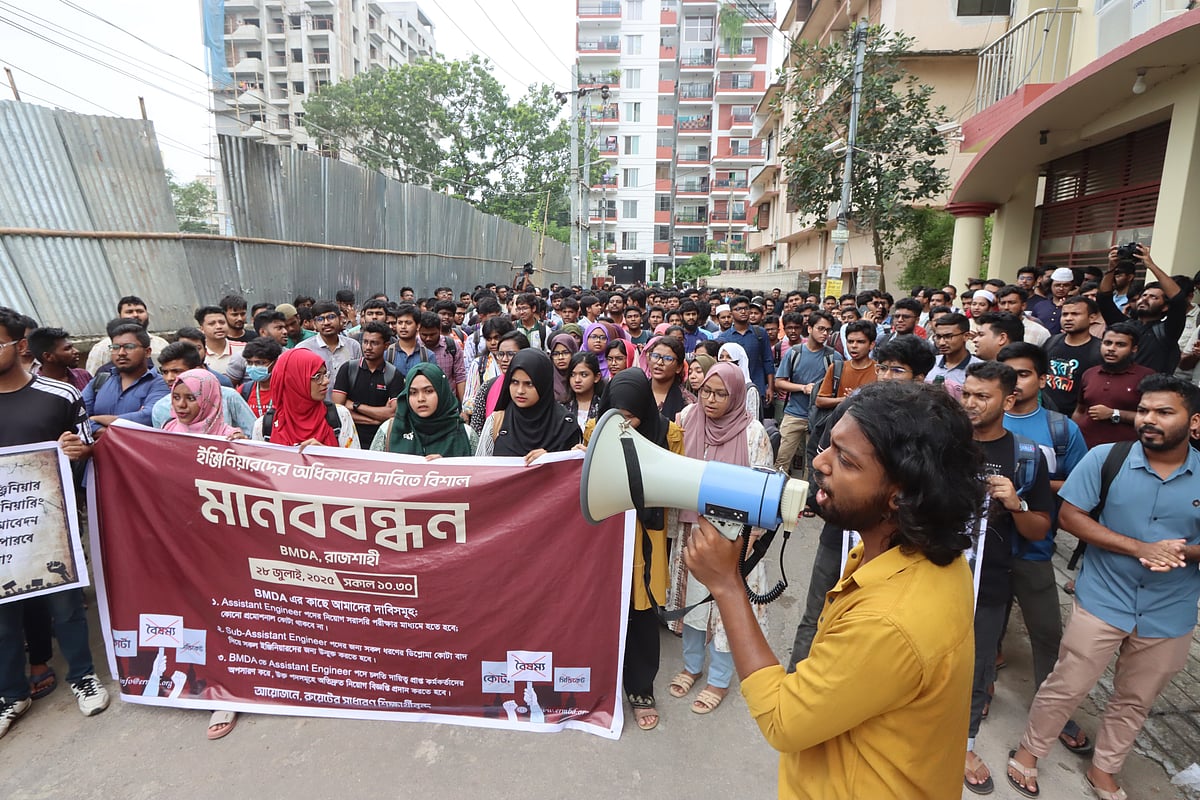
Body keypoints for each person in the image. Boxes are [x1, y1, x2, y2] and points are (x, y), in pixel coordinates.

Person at [684, 381, 984, 798]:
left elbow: (782, 719)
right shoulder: (925, 558)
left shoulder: (888, 621)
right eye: (829, 446)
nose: (819, 461)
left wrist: (726, 585)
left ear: (899, 495)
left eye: (846, 460)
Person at [1007, 375, 1200, 800]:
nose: (1148, 420)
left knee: (1135, 699)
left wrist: (1182, 553)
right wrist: (1139, 548)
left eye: (1164, 412)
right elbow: (1070, 516)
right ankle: (1028, 752)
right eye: (1144, 410)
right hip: (1104, 597)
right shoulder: (1107, 458)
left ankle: (1105, 769)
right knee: (1067, 683)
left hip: (1170, 609)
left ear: (1194, 422)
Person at [786, 333, 934, 668]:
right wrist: (821, 497)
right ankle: (797, 679)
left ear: (920, 378)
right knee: (817, 612)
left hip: (897, 541)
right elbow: (819, 457)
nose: (885, 377)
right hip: (841, 533)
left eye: (897, 370)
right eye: (882, 368)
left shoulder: (928, 424)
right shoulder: (852, 409)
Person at [0, 307, 110, 738]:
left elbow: (87, 443)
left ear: (20, 346)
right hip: (3, 530)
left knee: (65, 604)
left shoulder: (59, 394)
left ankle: (83, 676)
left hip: (51, 523)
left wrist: (80, 451)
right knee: (4, 616)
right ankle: (12, 694)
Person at [959, 361, 1055, 794]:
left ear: (1009, 400)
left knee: (977, 667)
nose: (971, 404)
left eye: (983, 396)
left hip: (991, 583)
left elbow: (1039, 529)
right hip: (932, 575)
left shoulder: (1027, 456)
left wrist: (1016, 504)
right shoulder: (945, 443)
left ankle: (963, 744)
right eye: (967, 394)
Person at [666, 362, 773, 715]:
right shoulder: (686, 418)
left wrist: (749, 543)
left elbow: (763, 490)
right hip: (693, 531)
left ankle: (720, 679)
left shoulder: (753, 433)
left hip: (733, 540)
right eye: (705, 392)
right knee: (693, 604)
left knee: (726, 608)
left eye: (720, 394)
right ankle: (692, 666)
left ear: (737, 395)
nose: (709, 400)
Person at [584, 369, 685, 731]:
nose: (624, 424)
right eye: (617, 415)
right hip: (605, 538)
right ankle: (597, 688)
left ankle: (640, 688)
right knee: (602, 612)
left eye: (632, 416)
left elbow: (676, 486)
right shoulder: (594, 431)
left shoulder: (668, 434)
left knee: (641, 613)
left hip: (646, 538)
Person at [475, 349, 581, 461]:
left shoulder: (565, 424)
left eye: (529, 384)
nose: (520, 391)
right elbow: (481, 466)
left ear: (543, 385)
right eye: (515, 382)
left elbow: (573, 468)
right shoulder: (497, 421)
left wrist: (550, 459)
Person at [1097, 244, 1186, 374]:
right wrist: (1112, 268)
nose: (1145, 299)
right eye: (1144, 295)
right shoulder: (1125, 325)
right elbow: (1103, 299)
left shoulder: (1167, 331)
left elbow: (1178, 299)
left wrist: (1151, 265)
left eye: (1153, 297)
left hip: (1151, 386)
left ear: (1165, 307)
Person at [774, 311, 840, 477]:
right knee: (781, 460)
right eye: (821, 329)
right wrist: (802, 388)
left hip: (820, 418)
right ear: (810, 328)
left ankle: (807, 493)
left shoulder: (834, 357)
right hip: (794, 413)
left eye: (828, 330)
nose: (824, 334)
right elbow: (779, 382)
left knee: (813, 465)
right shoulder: (794, 353)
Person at [251, 348, 359, 448]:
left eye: (325, 374)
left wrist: (324, 454)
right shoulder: (264, 426)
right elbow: (258, 462)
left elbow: (354, 461)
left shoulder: (339, 416)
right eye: (317, 376)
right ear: (294, 381)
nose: (326, 381)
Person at [1072, 322, 1156, 448]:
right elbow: (1080, 410)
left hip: (1123, 451)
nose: (1111, 349)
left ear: (1134, 349)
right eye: (1107, 343)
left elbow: (1153, 418)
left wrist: (1114, 414)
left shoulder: (1146, 376)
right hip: (1084, 447)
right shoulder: (1090, 373)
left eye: (1120, 345)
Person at [81, 322, 169, 437]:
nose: (121, 353)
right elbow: (78, 417)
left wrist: (96, 419)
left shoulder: (161, 383)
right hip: (99, 449)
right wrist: (114, 432)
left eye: (129, 347)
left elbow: (149, 417)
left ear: (147, 352)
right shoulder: (100, 381)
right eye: (115, 347)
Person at [150, 342, 257, 436]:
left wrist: (238, 442)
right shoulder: (161, 408)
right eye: (165, 372)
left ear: (198, 369)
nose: (169, 378)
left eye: (177, 371)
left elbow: (253, 435)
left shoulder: (229, 397)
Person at [370, 363, 474, 457]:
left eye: (428, 391)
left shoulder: (466, 434)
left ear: (442, 392)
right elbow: (373, 468)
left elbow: (479, 470)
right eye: (413, 393)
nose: (421, 399)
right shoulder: (390, 430)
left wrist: (445, 466)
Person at [332, 321, 404, 447]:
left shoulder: (393, 374)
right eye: (365, 342)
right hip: (349, 437)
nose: (368, 347)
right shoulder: (348, 369)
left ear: (386, 345)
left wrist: (355, 405)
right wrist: (374, 420)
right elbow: (338, 410)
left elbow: (393, 414)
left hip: (381, 438)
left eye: (374, 343)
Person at [1043, 296, 1102, 416]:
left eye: (1075, 314)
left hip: (1077, 416)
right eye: (1065, 314)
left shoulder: (1099, 350)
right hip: (1045, 413)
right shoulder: (1052, 342)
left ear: (1092, 318)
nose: (1068, 318)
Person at [84, 296, 170, 373]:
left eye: (140, 311)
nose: (135, 315)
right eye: (129, 312)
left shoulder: (161, 344)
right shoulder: (102, 348)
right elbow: (93, 377)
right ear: (120, 316)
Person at [718, 295, 774, 410]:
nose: (743, 312)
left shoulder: (760, 333)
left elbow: (767, 360)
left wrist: (770, 387)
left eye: (745, 308)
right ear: (731, 313)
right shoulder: (724, 338)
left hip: (757, 386)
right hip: (733, 390)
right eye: (738, 309)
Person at [297, 301, 362, 401]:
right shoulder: (303, 349)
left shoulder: (353, 346)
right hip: (316, 406)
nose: (326, 323)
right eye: (320, 319)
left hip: (348, 406)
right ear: (314, 324)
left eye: (331, 317)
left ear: (340, 319)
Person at [925, 312, 981, 397]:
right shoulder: (930, 363)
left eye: (948, 336)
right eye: (938, 337)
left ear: (966, 336)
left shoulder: (980, 369)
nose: (941, 342)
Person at [641, 335, 692, 424]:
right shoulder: (637, 391)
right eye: (655, 356)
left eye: (668, 359)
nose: (659, 362)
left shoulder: (688, 402)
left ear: (679, 367)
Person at [237, 336, 283, 419]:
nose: (254, 367)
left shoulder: (285, 391)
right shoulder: (244, 390)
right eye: (249, 362)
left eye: (260, 363)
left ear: (275, 362)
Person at [716, 342, 762, 420]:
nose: (724, 360)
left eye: (729, 357)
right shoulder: (717, 384)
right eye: (721, 357)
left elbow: (752, 419)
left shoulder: (749, 389)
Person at [564, 352, 604, 432]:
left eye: (584, 375)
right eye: (572, 375)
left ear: (596, 377)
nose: (577, 380)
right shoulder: (562, 408)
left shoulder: (603, 408)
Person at [548, 332, 579, 404]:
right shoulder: (547, 379)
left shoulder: (581, 378)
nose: (560, 357)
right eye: (555, 354)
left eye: (565, 353)